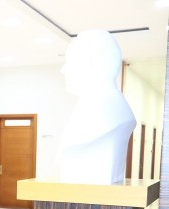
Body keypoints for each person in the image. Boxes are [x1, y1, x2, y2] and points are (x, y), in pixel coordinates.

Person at [57, 29, 136, 184]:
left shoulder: (105, 110)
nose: (63, 69)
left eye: (71, 61)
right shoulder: (95, 107)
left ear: (95, 63)